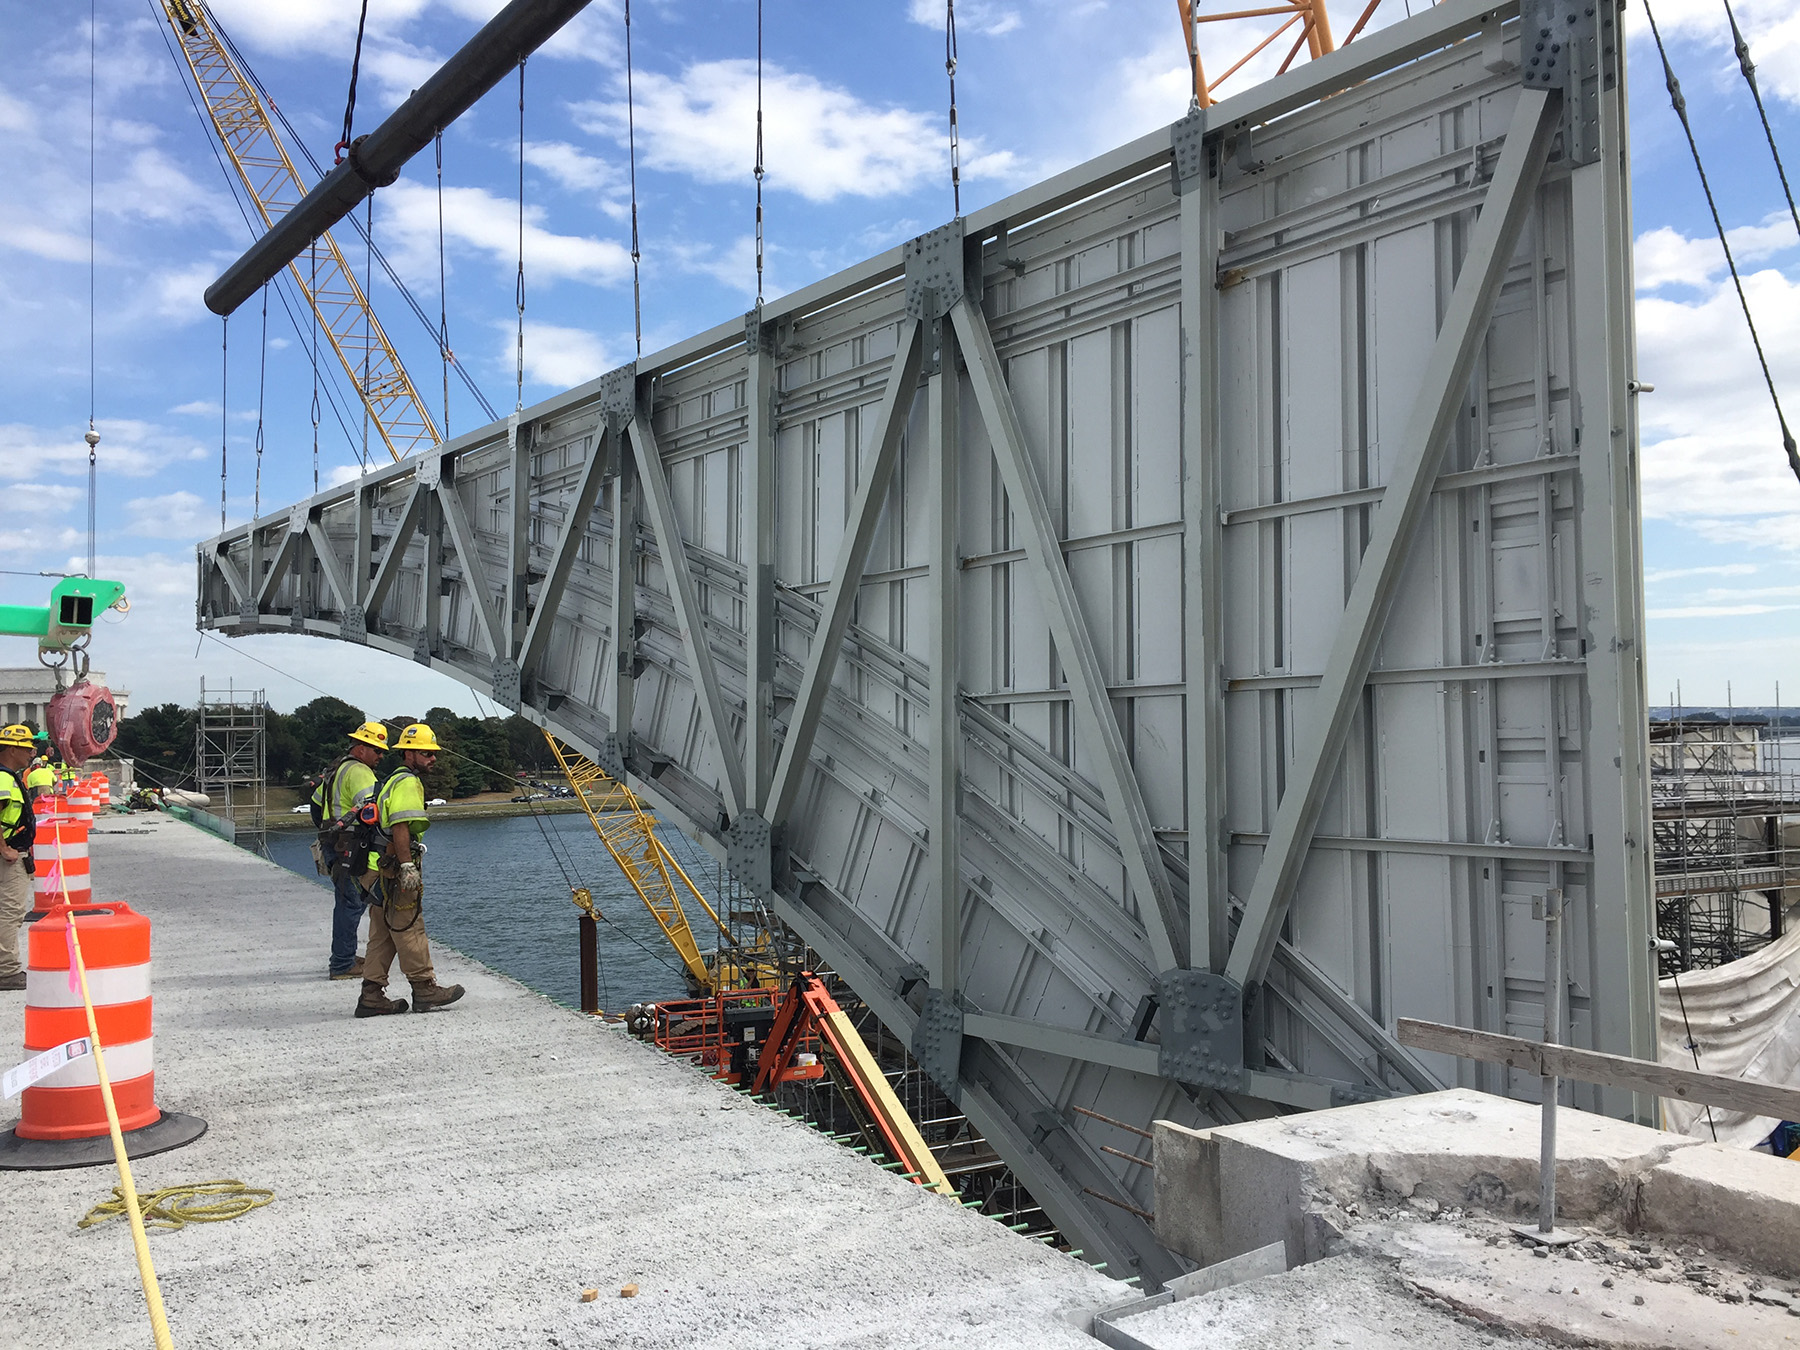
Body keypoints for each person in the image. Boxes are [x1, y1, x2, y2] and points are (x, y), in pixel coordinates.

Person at [355, 722, 464, 1018]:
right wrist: (406, 866)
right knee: (409, 926)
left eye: (432, 753)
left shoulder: (391, 779)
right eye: (426, 753)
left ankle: (371, 996)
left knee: (383, 934)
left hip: (374, 871)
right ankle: (425, 989)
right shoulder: (407, 783)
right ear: (409, 754)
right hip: (392, 870)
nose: (433, 759)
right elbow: (401, 826)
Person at [311, 720, 388, 981]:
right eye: (377, 750)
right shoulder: (359, 772)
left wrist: (329, 833)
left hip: (334, 845)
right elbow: (375, 812)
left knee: (346, 902)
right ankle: (343, 964)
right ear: (361, 748)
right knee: (351, 904)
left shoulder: (336, 769)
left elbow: (315, 805)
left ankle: (344, 954)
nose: (380, 756)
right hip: (351, 848)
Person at [0, 724, 40, 992]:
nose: (31, 754)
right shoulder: (3, 778)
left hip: (12, 853)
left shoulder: (9, 776)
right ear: (12, 749)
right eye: (27, 748)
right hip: (9, 857)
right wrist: (5, 848)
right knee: (9, 913)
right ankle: (7, 971)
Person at [25, 734, 57, 808]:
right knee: (48, 805)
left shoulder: (31, 773)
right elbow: (55, 780)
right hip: (48, 790)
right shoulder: (48, 771)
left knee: (37, 805)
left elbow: (29, 786)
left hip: (36, 791)